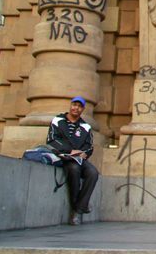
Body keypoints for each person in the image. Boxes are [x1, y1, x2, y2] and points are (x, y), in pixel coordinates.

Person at [46, 96, 99, 225]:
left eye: (79, 106)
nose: (76, 108)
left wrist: (83, 154)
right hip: (63, 157)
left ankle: (78, 207)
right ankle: (78, 209)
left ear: (83, 109)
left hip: (79, 158)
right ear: (70, 106)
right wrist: (70, 151)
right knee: (74, 169)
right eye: (74, 105)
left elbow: (89, 146)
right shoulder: (58, 120)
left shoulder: (85, 126)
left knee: (93, 173)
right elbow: (51, 140)